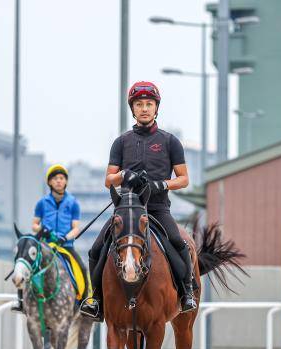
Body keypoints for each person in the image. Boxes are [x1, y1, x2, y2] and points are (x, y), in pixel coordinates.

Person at [79, 81, 195, 322]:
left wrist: (162, 184)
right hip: (128, 209)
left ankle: (186, 293)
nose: (144, 108)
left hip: (157, 208)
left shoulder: (170, 141)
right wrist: (123, 175)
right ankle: (96, 299)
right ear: (133, 109)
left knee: (178, 242)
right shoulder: (121, 142)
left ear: (156, 108)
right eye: (139, 104)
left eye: (149, 104)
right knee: (95, 249)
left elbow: (183, 179)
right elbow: (108, 180)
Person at [11, 164, 89, 313]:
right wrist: (42, 230)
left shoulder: (73, 203)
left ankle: (83, 302)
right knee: (24, 263)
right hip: (45, 245)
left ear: (65, 182)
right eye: (55, 178)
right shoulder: (42, 203)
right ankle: (21, 301)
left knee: (82, 268)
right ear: (49, 182)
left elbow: (76, 228)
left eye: (62, 178)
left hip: (66, 246)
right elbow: (34, 224)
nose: (59, 181)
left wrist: (65, 238)